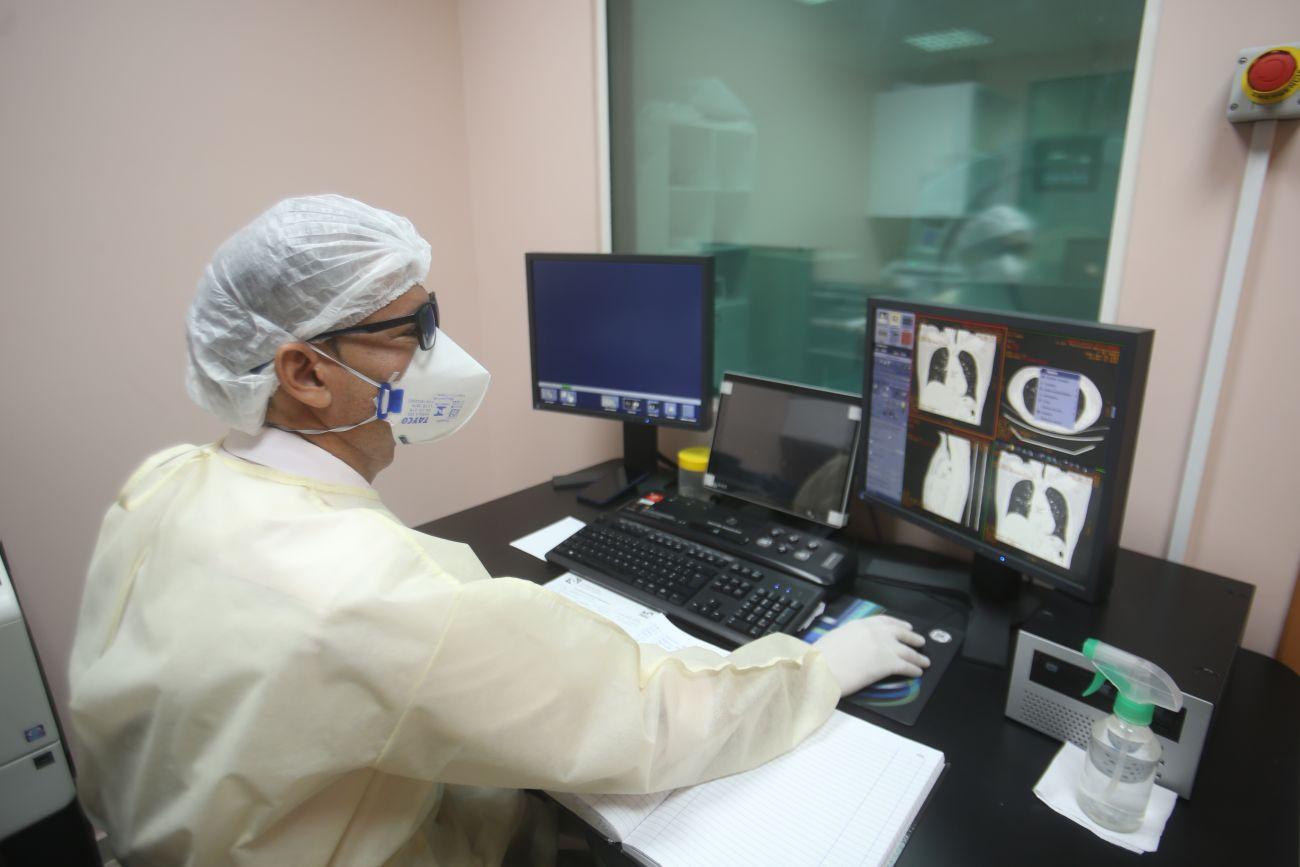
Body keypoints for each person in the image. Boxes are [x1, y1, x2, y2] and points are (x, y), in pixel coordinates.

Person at [68, 195, 930, 866]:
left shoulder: (165, 483)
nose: (441, 354)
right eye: (414, 330)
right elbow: (652, 719)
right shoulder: (380, 596)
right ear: (304, 371)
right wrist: (820, 668)